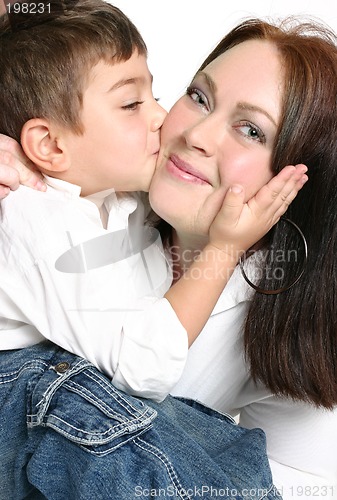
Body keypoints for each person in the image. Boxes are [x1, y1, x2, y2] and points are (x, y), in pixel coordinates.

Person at [1, 6, 334, 500]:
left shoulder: (297, 316)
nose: (192, 134)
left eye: (250, 130)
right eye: (199, 97)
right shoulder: (77, 199)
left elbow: (298, 482)